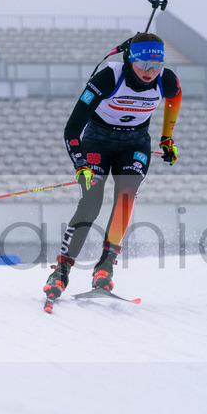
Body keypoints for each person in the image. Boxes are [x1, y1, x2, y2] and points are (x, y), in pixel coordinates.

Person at [42, 32, 181, 312]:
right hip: (97, 141)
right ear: (130, 59)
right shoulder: (107, 77)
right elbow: (72, 128)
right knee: (91, 203)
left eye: (157, 66)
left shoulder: (167, 80)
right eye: (144, 65)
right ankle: (61, 272)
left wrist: (167, 138)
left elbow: (173, 100)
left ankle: (105, 269)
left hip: (135, 143)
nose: (150, 73)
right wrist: (80, 164)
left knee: (126, 196)